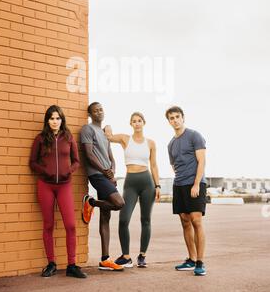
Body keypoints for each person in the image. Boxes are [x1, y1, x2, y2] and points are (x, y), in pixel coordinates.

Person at [29, 105, 87, 278]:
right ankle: (51, 263)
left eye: (58, 118)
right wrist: (45, 171)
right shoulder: (40, 139)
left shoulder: (68, 138)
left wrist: (69, 170)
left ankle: (72, 265)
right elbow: (32, 163)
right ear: (47, 120)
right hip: (45, 185)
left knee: (70, 225)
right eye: (52, 118)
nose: (55, 121)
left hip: (64, 185)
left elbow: (76, 161)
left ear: (62, 120)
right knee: (48, 225)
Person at [104, 112, 160, 268]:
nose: (137, 123)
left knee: (146, 219)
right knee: (123, 219)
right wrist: (108, 127)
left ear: (144, 123)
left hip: (147, 182)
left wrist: (158, 185)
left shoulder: (150, 143)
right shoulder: (125, 139)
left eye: (139, 121)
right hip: (130, 183)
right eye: (134, 121)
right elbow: (108, 136)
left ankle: (142, 255)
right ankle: (126, 256)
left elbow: (154, 165)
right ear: (131, 124)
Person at [80, 102, 125, 271]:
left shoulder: (104, 134)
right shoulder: (88, 129)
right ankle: (91, 202)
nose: (99, 112)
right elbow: (89, 155)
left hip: (106, 176)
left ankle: (105, 259)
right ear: (90, 114)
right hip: (97, 175)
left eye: (101, 109)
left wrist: (112, 172)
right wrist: (104, 171)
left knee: (106, 217)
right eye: (95, 110)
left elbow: (111, 157)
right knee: (119, 203)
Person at [165, 106, 207, 276]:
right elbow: (174, 166)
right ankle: (191, 259)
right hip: (179, 184)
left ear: (183, 118)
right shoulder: (171, 144)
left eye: (177, 117)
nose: (175, 120)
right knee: (184, 221)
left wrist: (196, 184)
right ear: (168, 121)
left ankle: (200, 262)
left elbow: (202, 161)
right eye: (171, 118)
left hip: (195, 183)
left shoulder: (194, 135)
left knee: (196, 220)